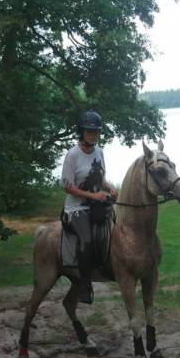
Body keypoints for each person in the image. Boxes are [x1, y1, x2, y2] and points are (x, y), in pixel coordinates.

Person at [61, 109, 118, 302]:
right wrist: (93, 195)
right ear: (82, 132)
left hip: (96, 204)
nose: (93, 135)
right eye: (89, 131)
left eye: (96, 132)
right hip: (76, 208)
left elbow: (100, 179)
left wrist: (110, 189)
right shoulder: (72, 155)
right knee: (86, 240)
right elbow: (67, 187)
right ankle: (85, 286)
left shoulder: (99, 152)